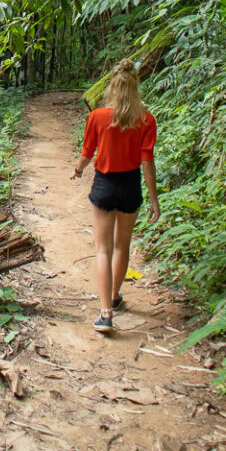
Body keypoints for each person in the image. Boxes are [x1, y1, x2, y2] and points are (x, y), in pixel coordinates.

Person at [70, 59, 160, 333]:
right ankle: (114, 296)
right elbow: (147, 162)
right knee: (122, 247)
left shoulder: (97, 116)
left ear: (112, 86)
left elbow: (87, 151)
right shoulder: (146, 119)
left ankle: (105, 313)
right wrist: (154, 199)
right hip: (131, 185)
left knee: (103, 249)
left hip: (105, 185)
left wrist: (78, 169)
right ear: (135, 88)